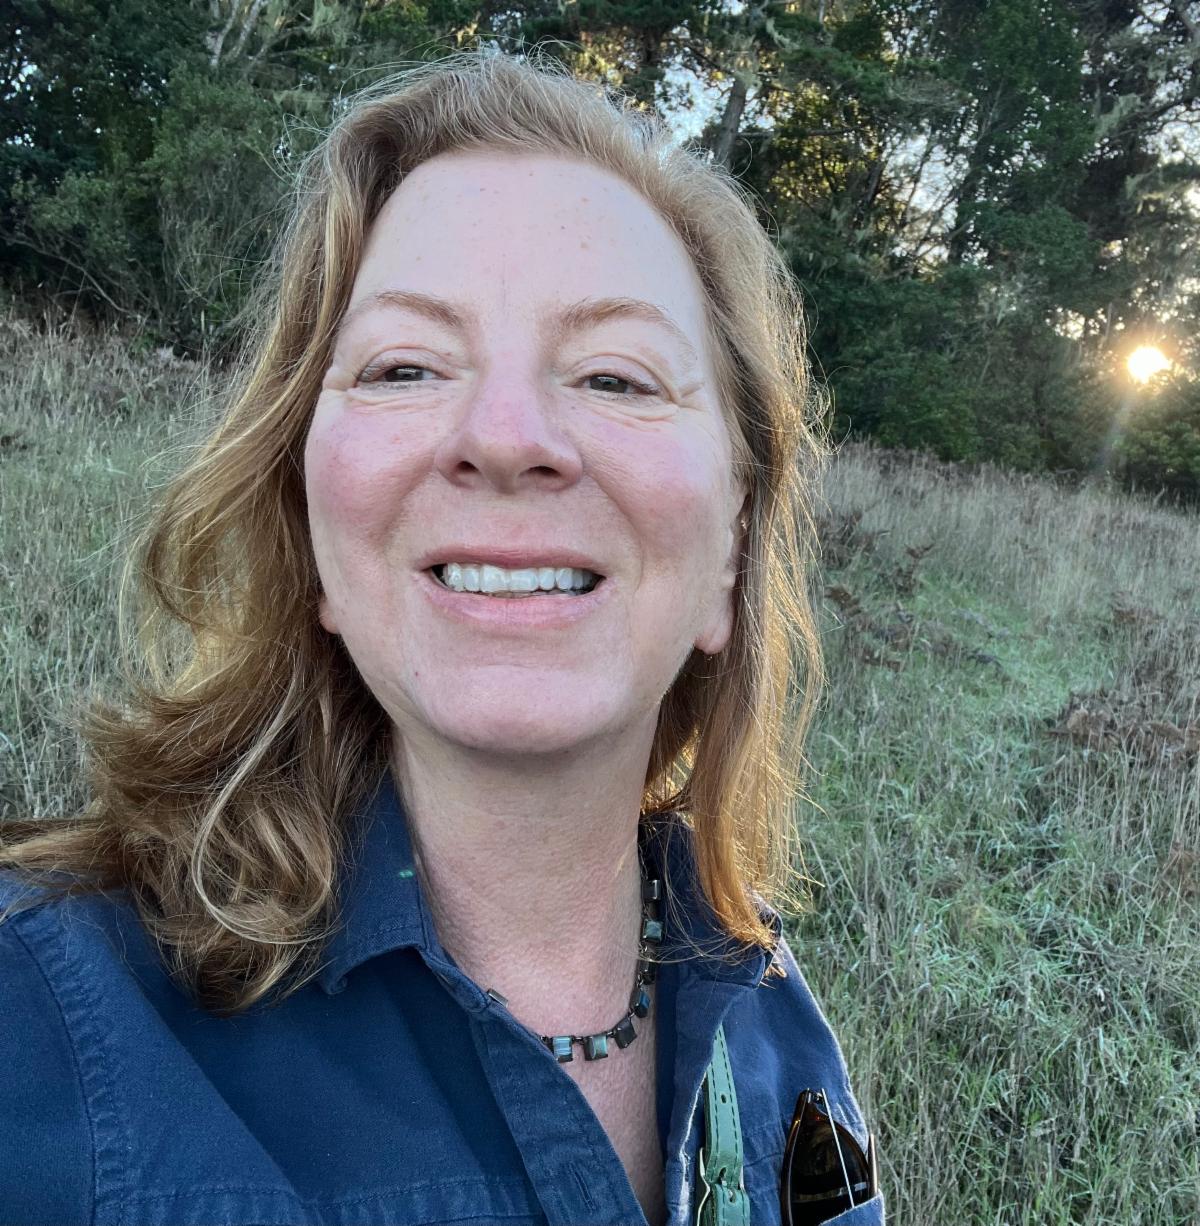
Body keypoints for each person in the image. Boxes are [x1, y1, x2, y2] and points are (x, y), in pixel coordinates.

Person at [0, 47, 885, 1226]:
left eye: (617, 377)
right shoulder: (44, 1013)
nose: (506, 433)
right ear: (313, 534)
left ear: (730, 551)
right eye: (406, 364)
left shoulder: (769, 1006)